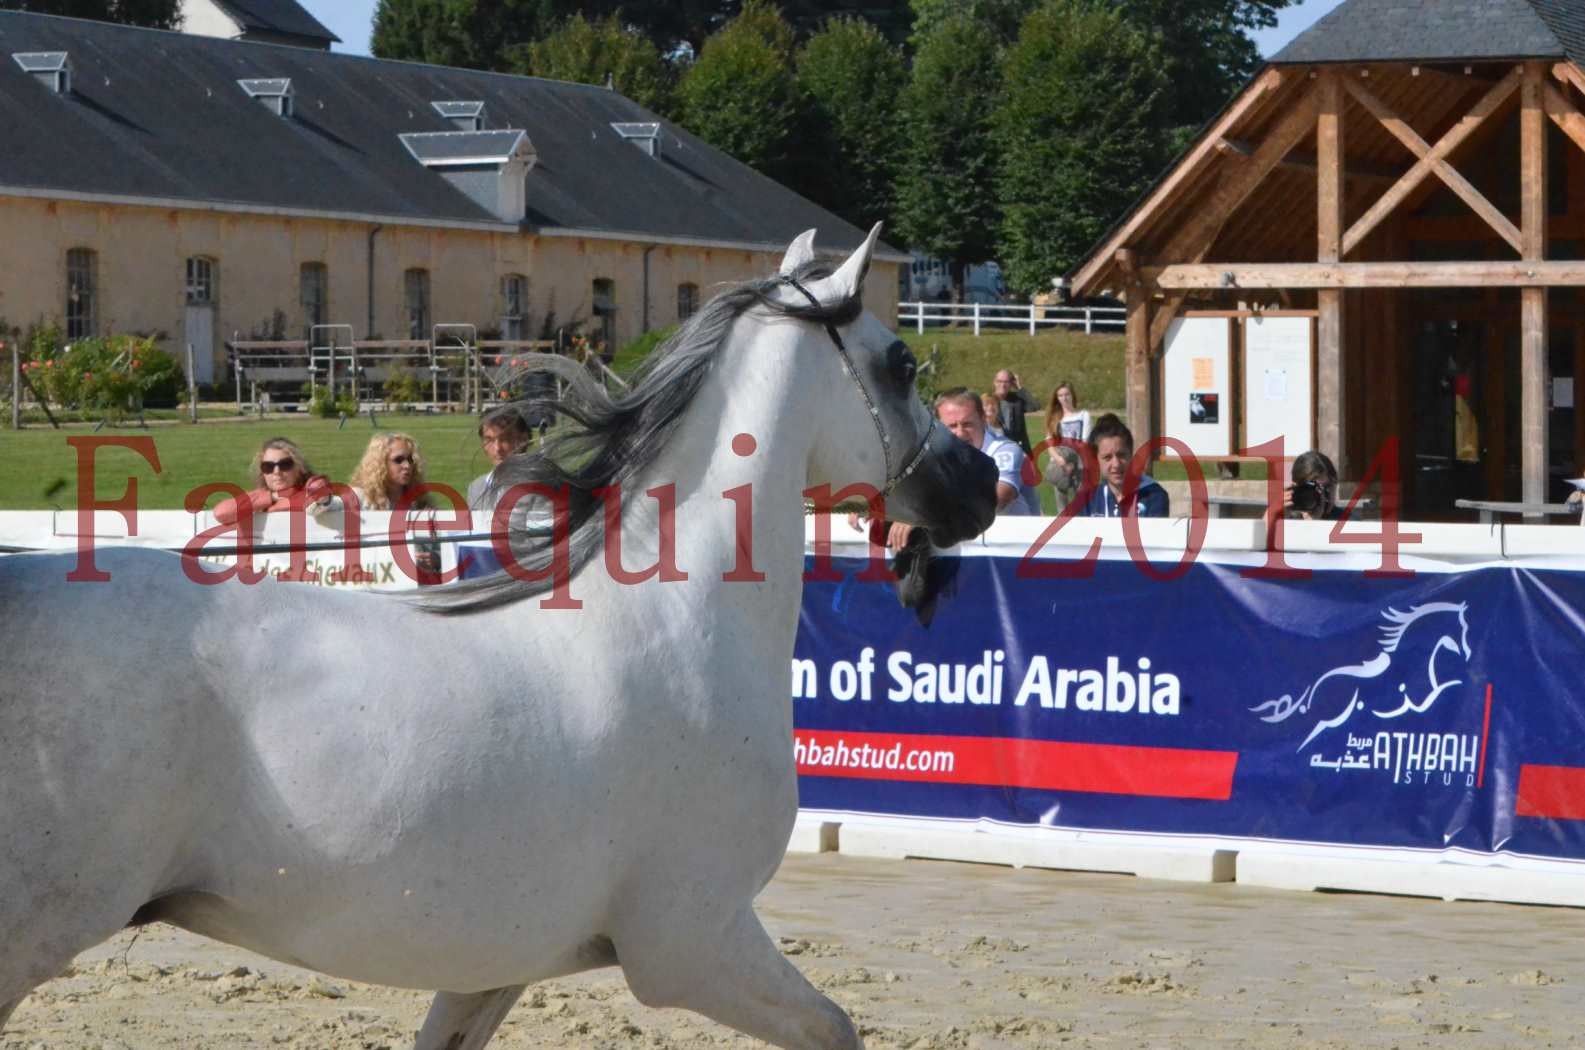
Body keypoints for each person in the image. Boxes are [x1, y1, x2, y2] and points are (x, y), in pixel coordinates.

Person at [213, 437, 338, 525]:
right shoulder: (260, 496)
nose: (276, 471)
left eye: (285, 465)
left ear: (299, 467)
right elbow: (221, 513)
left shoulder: (313, 487)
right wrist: (272, 497)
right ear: (263, 472)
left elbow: (320, 495)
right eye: (268, 466)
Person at [1079, 414, 1169, 518]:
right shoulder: (1088, 501)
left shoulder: (1154, 496)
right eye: (1107, 457)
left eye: (1121, 455)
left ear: (1131, 455)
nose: (1116, 464)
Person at [467, 405, 534, 517]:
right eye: (489, 440)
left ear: (523, 439)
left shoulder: (541, 485)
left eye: (505, 439)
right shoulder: (476, 488)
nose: (497, 448)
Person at [349, 432, 431, 511]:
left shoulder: (419, 501)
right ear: (380, 463)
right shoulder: (358, 497)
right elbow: (338, 504)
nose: (407, 466)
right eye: (398, 460)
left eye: (411, 460)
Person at [1042, 381, 1090, 512]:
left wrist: (1073, 462)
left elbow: (1084, 441)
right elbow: (1049, 443)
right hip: (1059, 462)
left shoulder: (1083, 415)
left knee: (1081, 502)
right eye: (1061, 395)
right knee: (1062, 506)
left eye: (1067, 394)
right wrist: (1060, 461)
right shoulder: (1054, 418)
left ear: (1072, 395)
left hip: (1079, 461)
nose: (1064, 398)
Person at [1281, 450, 1344, 521]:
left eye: (1327, 487)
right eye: (1311, 489)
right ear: (1296, 489)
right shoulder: (1285, 518)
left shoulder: (1349, 523)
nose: (1321, 496)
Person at [992, 369, 1039, 455]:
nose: (1003, 385)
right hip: (998, 450)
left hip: (1019, 449)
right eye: (999, 381)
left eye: (1006, 382)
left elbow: (1035, 406)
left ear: (1011, 384)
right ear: (994, 382)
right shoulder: (988, 401)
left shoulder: (1017, 399)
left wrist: (1019, 387)